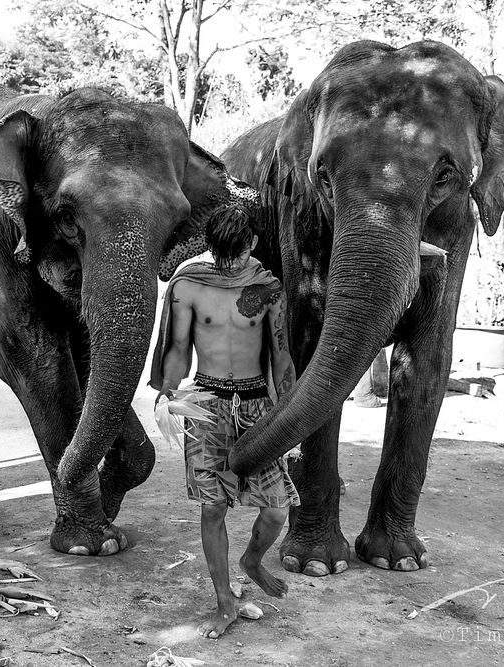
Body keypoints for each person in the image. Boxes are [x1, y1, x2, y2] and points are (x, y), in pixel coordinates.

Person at [150, 207, 299, 639]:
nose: (230, 266)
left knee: (276, 510)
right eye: (222, 256)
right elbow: (178, 346)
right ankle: (224, 601)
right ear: (211, 249)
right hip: (206, 404)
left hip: (256, 407)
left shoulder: (267, 288)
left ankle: (251, 561)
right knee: (213, 506)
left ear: (251, 245)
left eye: (238, 255)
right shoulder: (189, 286)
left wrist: (288, 410)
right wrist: (169, 391)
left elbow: (281, 353)